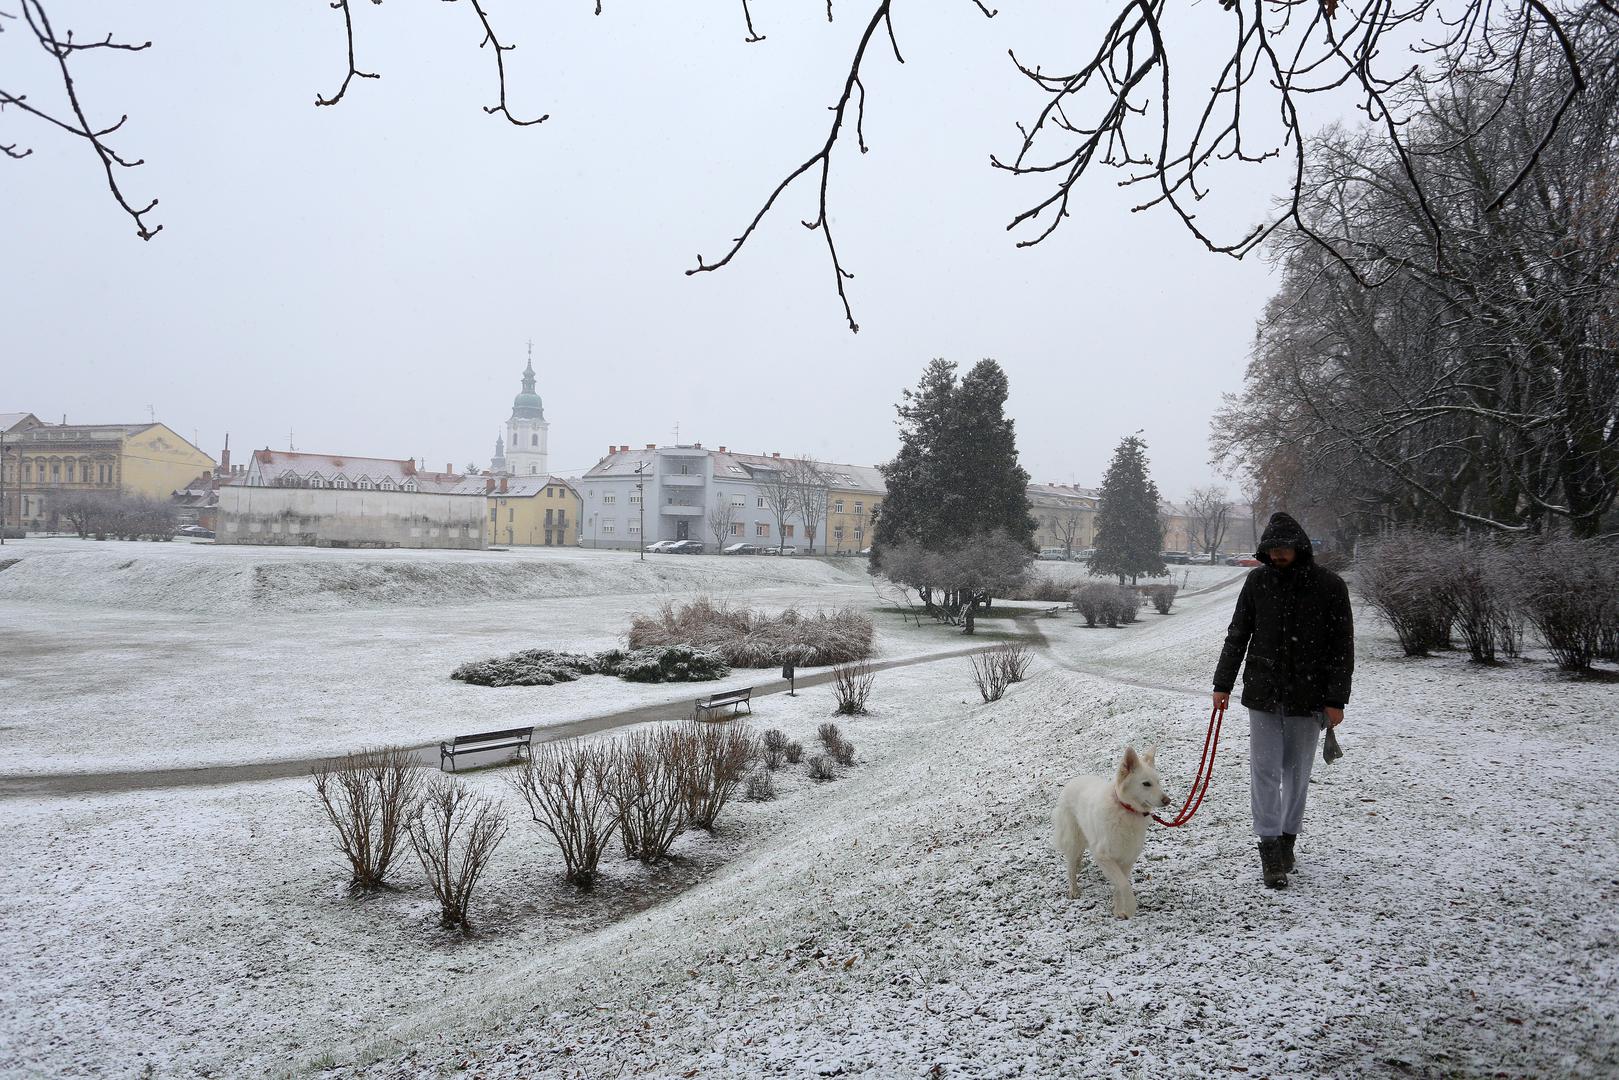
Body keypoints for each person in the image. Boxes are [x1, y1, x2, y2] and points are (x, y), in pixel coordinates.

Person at [1212, 512, 1353, 888]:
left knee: (1296, 774)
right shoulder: (1257, 582)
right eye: (1271, 548)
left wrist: (1336, 699)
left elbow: (1342, 647)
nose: (1276, 554)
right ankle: (1270, 848)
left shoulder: (1330, 586)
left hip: (1309, 696)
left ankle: (1288, 838)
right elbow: (1238, 633)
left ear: (1299, 547)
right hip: (1263, 692)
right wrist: (1222, 684)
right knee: (1264, 771)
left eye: (1283, 548)